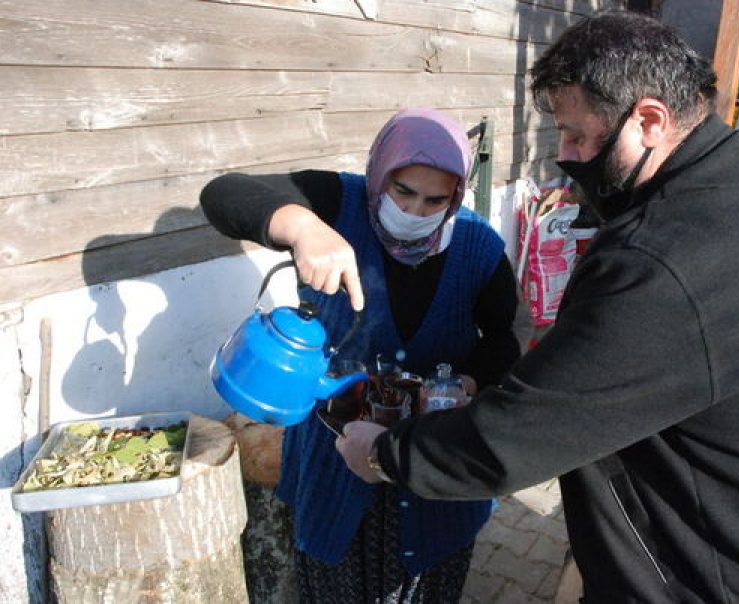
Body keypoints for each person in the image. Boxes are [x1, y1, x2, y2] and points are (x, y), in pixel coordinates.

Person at [336, 11, 739, 603]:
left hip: (738, 578)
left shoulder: (667, 260)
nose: (566, 157)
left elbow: (524, 432)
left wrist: (387, 455)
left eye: (576, 135)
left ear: (649, 120)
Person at [200, 108, 521, 602]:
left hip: (431, 460)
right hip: (334, 460)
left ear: (458, 193)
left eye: (436, 199)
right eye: (403, 191)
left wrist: (465, 387)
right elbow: (223, 195)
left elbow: (503, 340)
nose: (416, 212)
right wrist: (304, 229)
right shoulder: (337, 202)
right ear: (380, 174)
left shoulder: (477, 246)